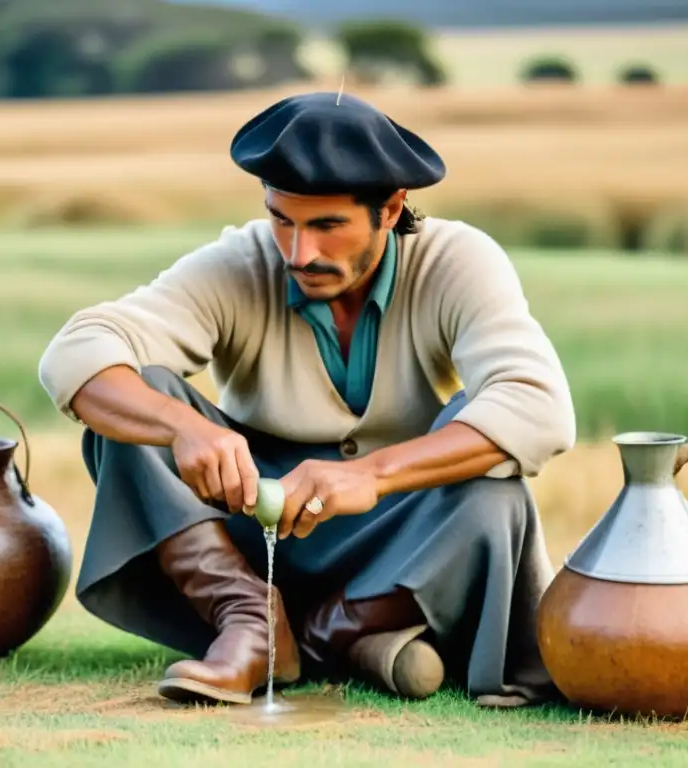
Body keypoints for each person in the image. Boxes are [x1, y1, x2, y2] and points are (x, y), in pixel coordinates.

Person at [37, 91, 576, 709]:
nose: (299, 253)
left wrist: (371, 474)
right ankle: (253, 622)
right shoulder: (240, 263)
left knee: (493, 487)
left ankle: (326, 637)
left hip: (398, 541)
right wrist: (184, 427)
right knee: (141, 404)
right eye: (282, 220)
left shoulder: (458, 261)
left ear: (391, 207)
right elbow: (75, 353)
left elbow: (539, 408)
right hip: (250, 538)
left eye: (327, 226)